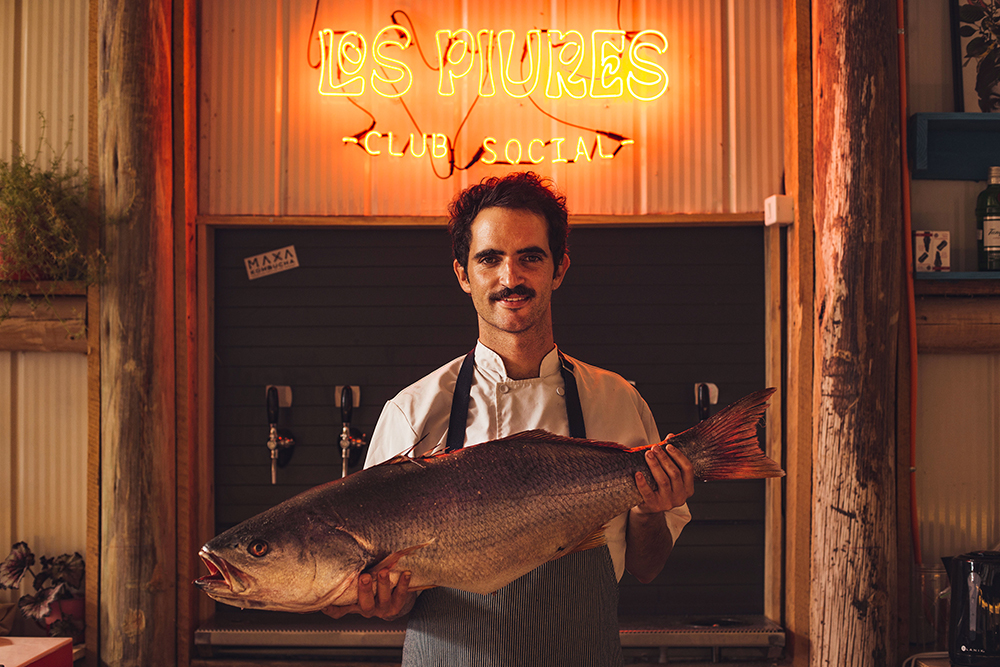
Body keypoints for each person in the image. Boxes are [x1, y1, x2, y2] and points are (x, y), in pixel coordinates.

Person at [323, 171, 694, 666]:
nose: (510, 278)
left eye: (530, 257)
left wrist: (651, 511)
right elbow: (393, 588)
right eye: (490, 258)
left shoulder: (618, 401)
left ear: (558, 269)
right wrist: (385, 601)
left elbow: (647, 568)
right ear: (463, 274)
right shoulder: (412, 414)